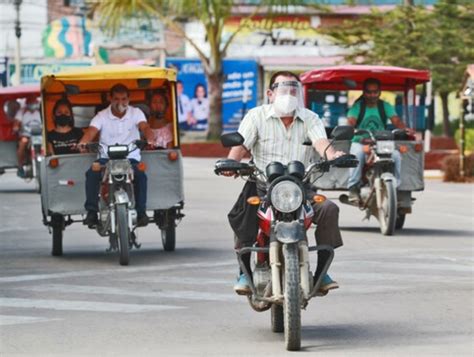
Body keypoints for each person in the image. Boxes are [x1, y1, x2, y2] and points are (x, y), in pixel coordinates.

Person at [224, 71, 345, 296]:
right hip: (262, 187)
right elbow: (240, 145)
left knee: (329, 209)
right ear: (270, 93)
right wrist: (231, 163)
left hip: (301, 188)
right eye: (283, 88)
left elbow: (321, 142)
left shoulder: (310, 117)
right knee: (243, 214)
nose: (288, 94)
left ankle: (322, 271)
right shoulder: (256, 115)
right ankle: (244, 272)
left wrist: (333, 154)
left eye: (293, 89)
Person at [78, 84, 155, 228]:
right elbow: (91, 131)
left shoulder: (136, 113)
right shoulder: (101, 116)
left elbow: (145, 127)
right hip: (105, 158)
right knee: (92, 174)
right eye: (116, 99)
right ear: (110, 98)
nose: (120, 102)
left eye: (124, 99)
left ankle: (141, 213)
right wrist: (83, 142)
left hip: (131, 158)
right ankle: (92, 213)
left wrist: (150, 138)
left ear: (129, 99)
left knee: (140, 175)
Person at [346, 78, 411, 201]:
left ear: (380, 92)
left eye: (375, 92)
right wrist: (350, 128)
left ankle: (396, 186)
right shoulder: (357, 106)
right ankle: (353, 187)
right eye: (369, 92)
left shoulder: (385, 106)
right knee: (357, 155)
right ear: (364, 92)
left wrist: (404, 129)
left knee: (396, 155)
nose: (372, 95)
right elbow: (351, 121)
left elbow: (396, 120)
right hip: (360, 141)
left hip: (381, 142)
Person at [13, 96, 42, 177]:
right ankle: (20, 167)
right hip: (26, 135)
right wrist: (16, 127)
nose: (33, 104)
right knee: (22, 143)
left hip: (40, 134)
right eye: (31, 102)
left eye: (34, 102)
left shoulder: (41, 110)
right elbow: (16, 123)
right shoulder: (22, 112)